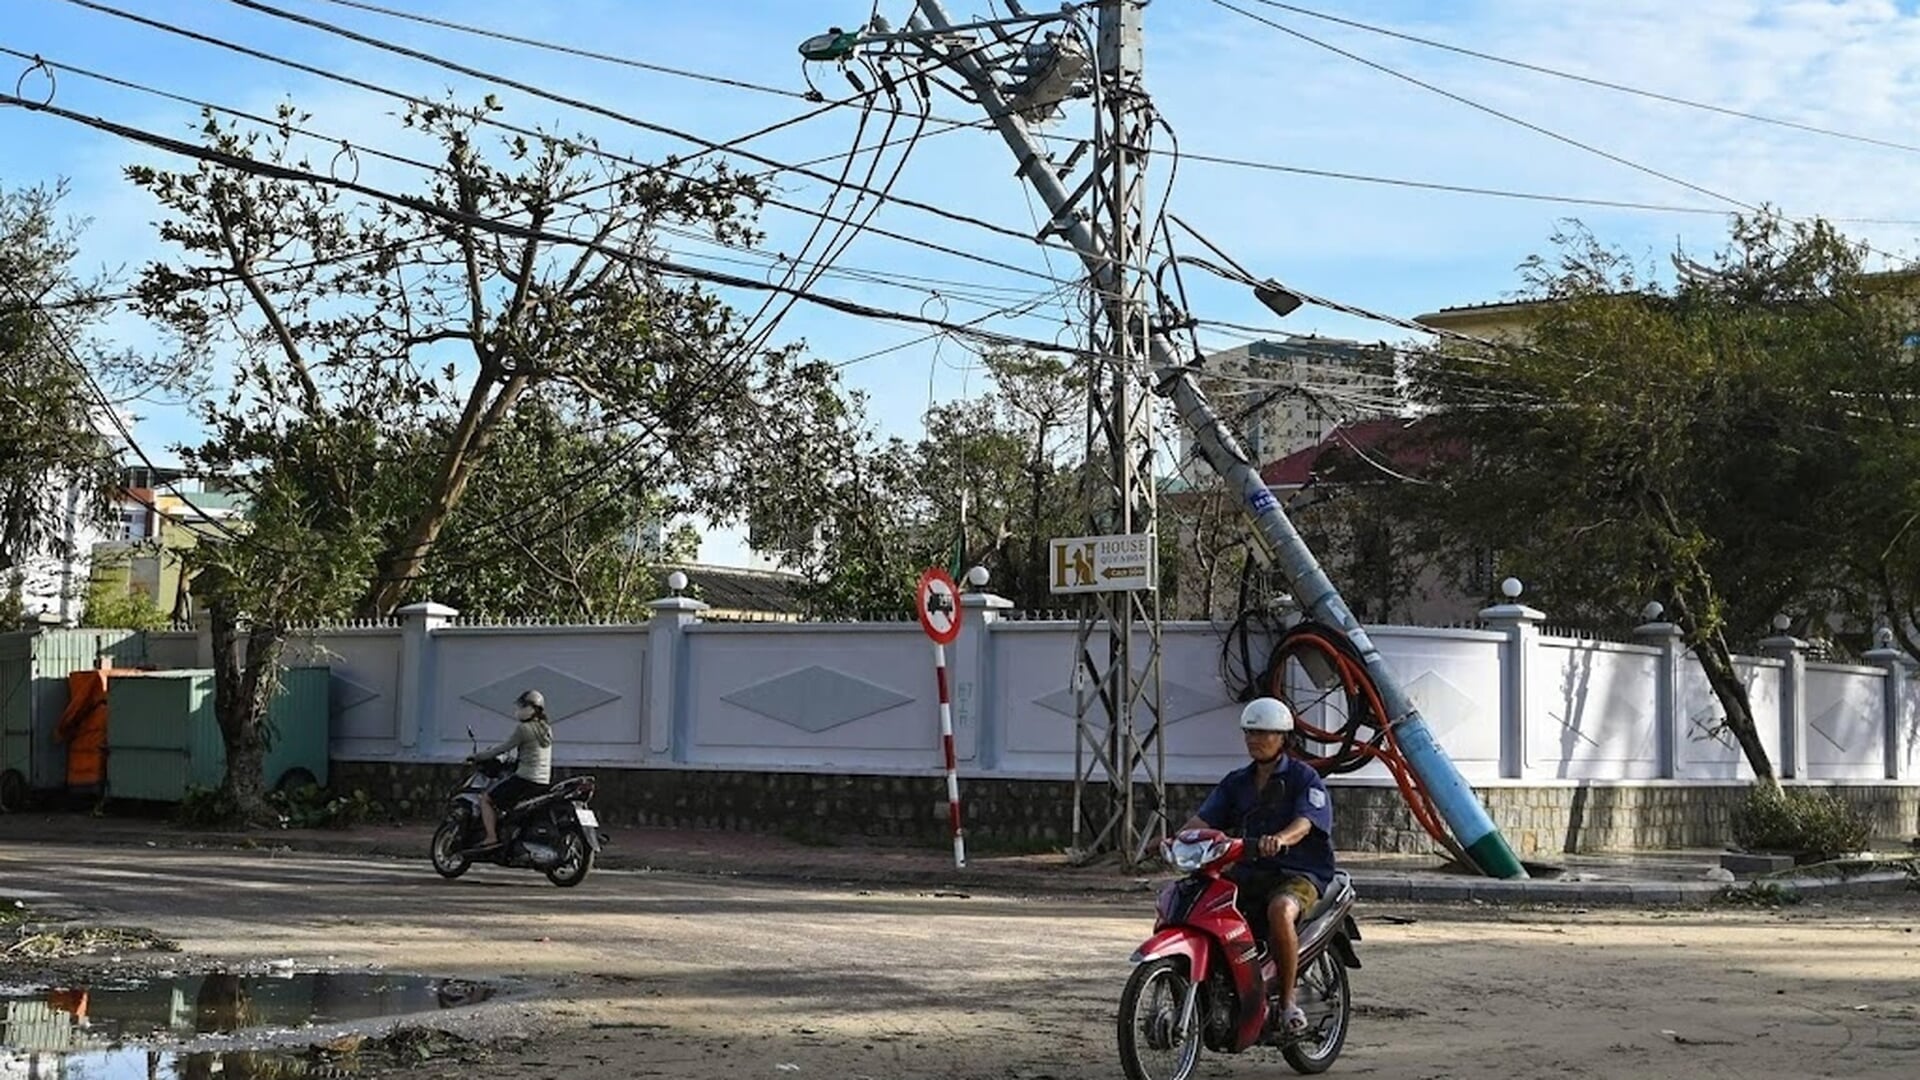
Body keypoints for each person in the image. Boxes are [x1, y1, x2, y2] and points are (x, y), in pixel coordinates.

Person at [1175, 696, 1338, 1036]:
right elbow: (1203, 819)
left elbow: (1306, 823)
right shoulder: (1237, 781)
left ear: (1283, 738)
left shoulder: (1303, 778)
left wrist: (1280, 838)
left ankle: (1288, 1001)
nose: (1254, 739)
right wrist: (1173, 839)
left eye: (1264, 733)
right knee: (1200, 902)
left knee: (1279, 910)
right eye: (1249, 732)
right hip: (1249, 869)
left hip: (1298, 871)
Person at [467, 689, 554, 850]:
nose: (519, 710)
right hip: (543, 781)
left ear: (532, 709)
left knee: (486, 799)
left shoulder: (524, 729)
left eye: (523, 706)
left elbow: (503, 748)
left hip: (525, 778)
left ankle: (491, 837)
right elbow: (532, 753)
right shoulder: (547, 730)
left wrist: (479, 756)